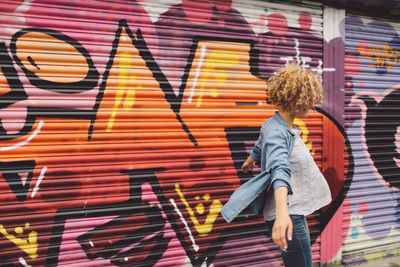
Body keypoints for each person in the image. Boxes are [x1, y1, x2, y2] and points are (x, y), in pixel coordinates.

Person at [221, 63, 331, 267]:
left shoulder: (274, 125)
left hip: (295, 211)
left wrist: (251, 159)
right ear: (296, 99)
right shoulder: (277, 132)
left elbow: (261, 142)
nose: (312, 104)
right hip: (289, 213)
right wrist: (282, 215)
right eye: (308, 99)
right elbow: (279, 170)